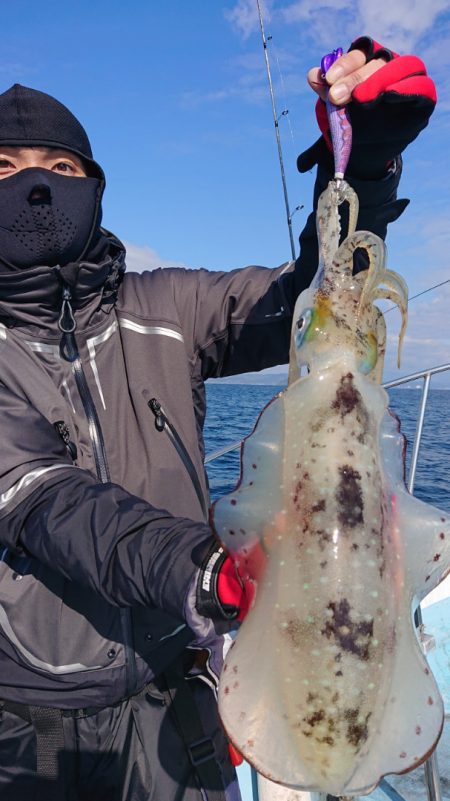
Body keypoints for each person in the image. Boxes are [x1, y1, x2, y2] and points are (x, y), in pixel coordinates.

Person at [0, 36, 436, 801]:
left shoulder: (170, 306)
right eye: (4, 169)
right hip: (28, 722)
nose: (35, 186)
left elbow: (312, 299)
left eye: (59, 168)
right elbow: (45, 499)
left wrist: (363, 166)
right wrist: (206, 569)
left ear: (95, 188)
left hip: (178, 693)